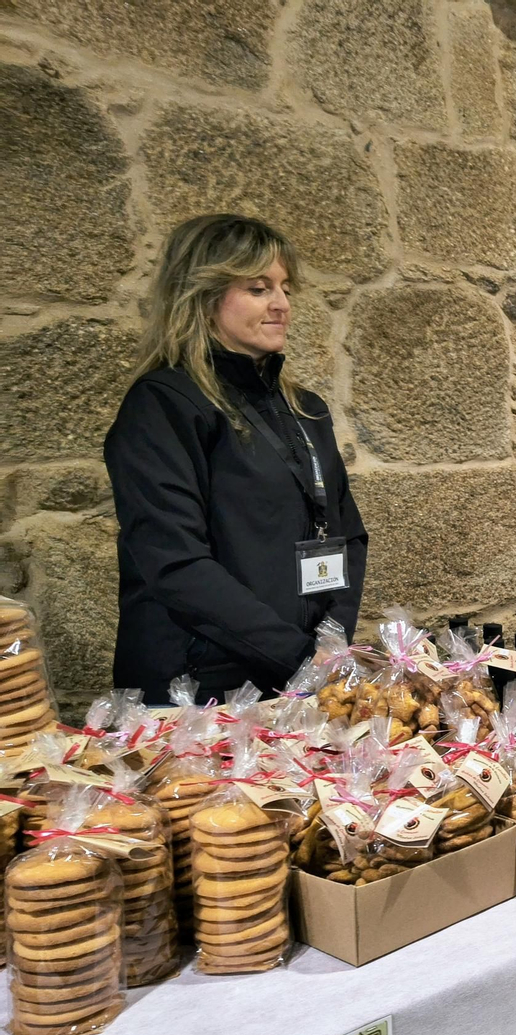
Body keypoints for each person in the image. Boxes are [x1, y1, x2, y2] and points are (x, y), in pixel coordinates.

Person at [104, 214, 368, 704]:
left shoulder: (305, 410)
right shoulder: (164, 405)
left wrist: (330, 643)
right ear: (203, 299)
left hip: (296, 675)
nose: (281, 304)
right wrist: (301, 658)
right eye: (258, 288)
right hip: (198, 686)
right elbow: (176, 564)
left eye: (285, 288)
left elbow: (347, 534)